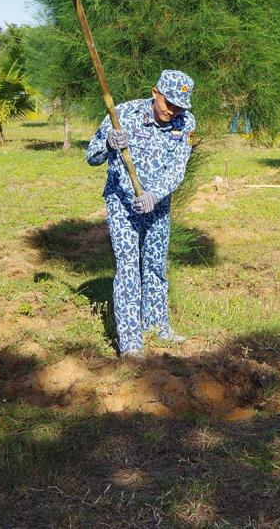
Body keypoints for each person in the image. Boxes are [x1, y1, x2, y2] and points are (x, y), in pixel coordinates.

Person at [86, 70, 196, 358]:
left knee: (156, 265)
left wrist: (154, 195)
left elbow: (177, 168)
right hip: (121, 203)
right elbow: (92, 156)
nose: (172, 111)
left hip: (157, 205)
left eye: (179, 106)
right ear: (154, 92)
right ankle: (131, 343)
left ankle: (158, 324)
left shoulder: (186, 123)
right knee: (128, 267)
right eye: (168, 103)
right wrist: (109, 143)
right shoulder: (122, 115)